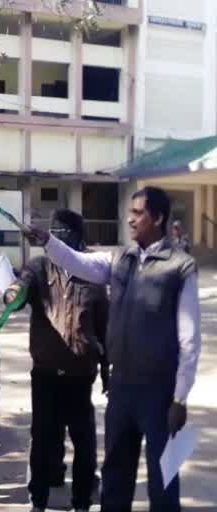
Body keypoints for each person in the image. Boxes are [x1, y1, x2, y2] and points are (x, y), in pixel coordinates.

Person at [25, 187, 201, 512]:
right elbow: (77, 262)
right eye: (130, 212)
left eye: (138, 213)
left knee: (164, 481)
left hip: (160, 394)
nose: (130, 219)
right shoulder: (119, 259)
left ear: (159, 218)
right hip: (122, 392)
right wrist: (48, 241)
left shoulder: (180, 267)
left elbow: (190, 338)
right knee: (115, 479)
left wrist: (180, 397)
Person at [5, 209, 108, 512]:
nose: (57, 236)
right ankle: (38, 502)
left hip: (80, 374)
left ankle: (81, 503)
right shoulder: (38, 268)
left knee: (84, 443)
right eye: (54, 231)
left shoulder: (93, 273)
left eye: (63, 231)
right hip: (46, 373)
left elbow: (105, 324)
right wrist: (12, 294)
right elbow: (20, 288)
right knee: (42, 441)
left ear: (77, 236)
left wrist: (107, 371)